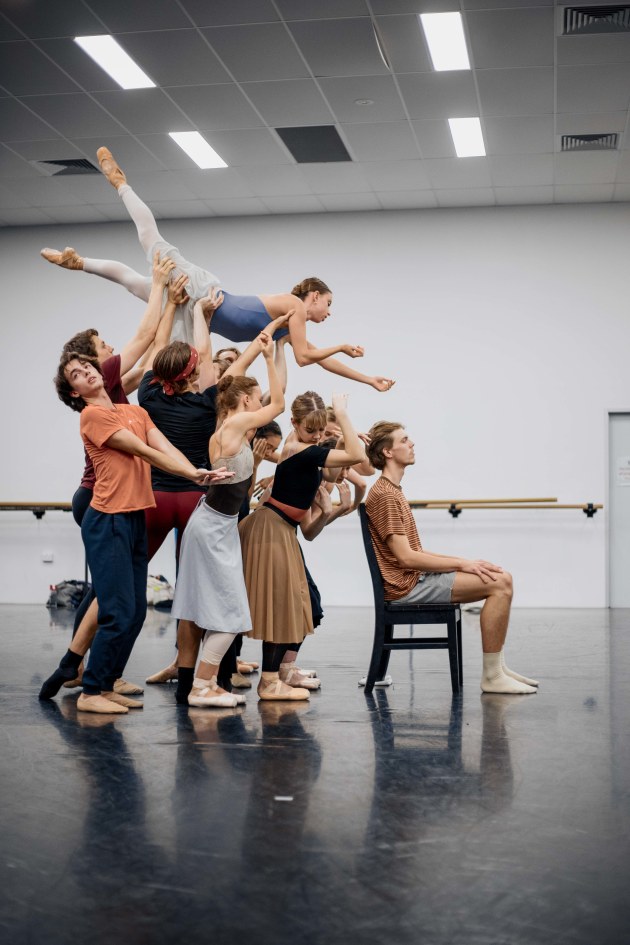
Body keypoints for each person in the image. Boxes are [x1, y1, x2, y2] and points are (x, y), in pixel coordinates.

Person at [40, 147, 395, 393]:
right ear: (312, 296)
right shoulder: (295, 306)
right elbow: (307, 358)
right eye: (328, 304)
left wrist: (366, 379)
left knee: (136, 286)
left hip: (198, 316)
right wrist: (341, 346)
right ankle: (120, 183)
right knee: (151, 241)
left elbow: (311, 361)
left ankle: (78, 263)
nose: (328, 312)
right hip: (205, 293)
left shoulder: (284, 329)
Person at [40, 352, 232, 714]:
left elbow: (164, 446)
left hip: (134, 517)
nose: (86, 374)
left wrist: (197, 470)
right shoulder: (91, 415)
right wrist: (191, 476)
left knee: (136, 612)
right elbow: (141, 450)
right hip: (106, 518)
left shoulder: (138, 413)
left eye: (88, 368)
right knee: (115, 609)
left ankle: (106, 682)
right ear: (75, 392)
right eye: (76, 375)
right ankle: (90, 691)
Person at [44, 254, 185, 698]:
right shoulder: (98, 378)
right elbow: (145, 336)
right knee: (112, 597)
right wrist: (159, 285)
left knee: (117, 597)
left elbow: (156, 348)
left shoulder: (116, 387)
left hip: (116, 495)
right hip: (99, 498)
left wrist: (172, 307)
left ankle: (97, 670)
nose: (107, 350)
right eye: (101, 345)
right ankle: (81, 668)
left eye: (102, 349)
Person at [364, 422, 539, 695]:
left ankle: (499, 668)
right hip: (407, 588)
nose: (412, 444)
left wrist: (465, 561)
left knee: (499, 577)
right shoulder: (386, 495)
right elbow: (407, 558)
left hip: (413, 581)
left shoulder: (392, 490)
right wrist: (462, 564)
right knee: (500, 583)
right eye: (405, 440)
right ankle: (492, 676)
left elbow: (415, 552)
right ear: (388, 451)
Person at [171, 332, 285, 708]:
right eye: (255, 397)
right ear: (246, 400)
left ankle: (204, 685)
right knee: (232, 614)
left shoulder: (233, 429)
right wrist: (268, 355)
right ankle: (201, 688)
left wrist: (278, 350)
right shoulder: (234, 427)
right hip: (213, 529)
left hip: (216, 526)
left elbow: (275, 399)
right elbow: (280, 403)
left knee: (225, 611)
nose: (260, 401)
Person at [239, 391, 366, 700]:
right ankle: (269, 682)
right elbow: (356, 456)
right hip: (269, 530)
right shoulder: (299, 449)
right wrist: (343, 414)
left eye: (322, 430)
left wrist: (331, 509)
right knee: (281, 606)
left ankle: (277, 676)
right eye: (312, 430)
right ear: (294, 423)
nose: (317, 436)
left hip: (283, 531)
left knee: (299, 604)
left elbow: (310, 527)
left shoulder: (309, 451)